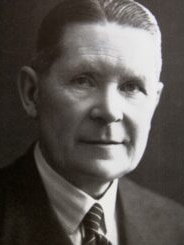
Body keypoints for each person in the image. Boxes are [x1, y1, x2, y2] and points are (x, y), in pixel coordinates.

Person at [0, 0, 184, 244]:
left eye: (131, 87)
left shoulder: (175, 227)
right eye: (83, 81)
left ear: (154, 102)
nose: (109, 111)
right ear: (32, 93)